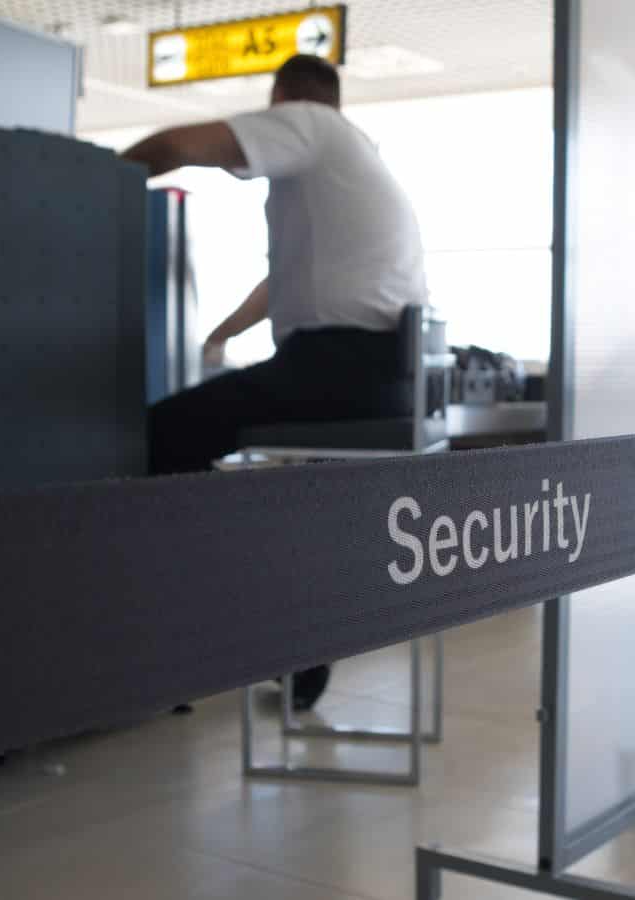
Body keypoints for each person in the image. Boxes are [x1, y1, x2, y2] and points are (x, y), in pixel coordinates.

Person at [121, 54, 429, 708]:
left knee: (156, 437)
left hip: (336, 366)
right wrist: (223, 333)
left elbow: (181, 145)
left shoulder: (310, 125)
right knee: (293, 503)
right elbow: (287, 282)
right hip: (380, 375)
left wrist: (95, 178)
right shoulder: (353, 160)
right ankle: (294, 636)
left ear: (285, 96)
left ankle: (233, 612)